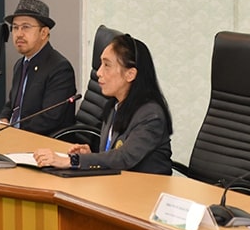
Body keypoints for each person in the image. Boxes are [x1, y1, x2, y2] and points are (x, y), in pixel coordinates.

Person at [32, 33, 173, 175]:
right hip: (116, 185)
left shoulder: (150, 115)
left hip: (146, 191)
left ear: (130, 74)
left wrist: (73, 160)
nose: (99, 72)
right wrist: (91, 156)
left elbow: (123, 158)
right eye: (100, 64)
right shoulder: (114, 105)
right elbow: (113, 152)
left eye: (107, 65)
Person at [0, 0, 77, 136]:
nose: (19, 34)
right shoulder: (21, 64)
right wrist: (3, 120)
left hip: (45, 144)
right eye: (15, 27)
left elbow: (50, 118)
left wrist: (14, 131)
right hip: (17, 137)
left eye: (26, 27)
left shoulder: (60, 68)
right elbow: (12, 105)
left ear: (44, 33)